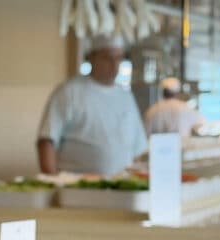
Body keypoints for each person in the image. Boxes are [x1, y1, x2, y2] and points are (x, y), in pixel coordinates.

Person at [36, 34, 148, 175]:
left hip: (120, 188)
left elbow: (138, 149)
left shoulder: (126, 96)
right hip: (76, 188)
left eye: (119, 58)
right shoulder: (69, 92)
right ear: (91, 58)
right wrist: (52, 182)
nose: (114, 65)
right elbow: (47, 140)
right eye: (107, 58)